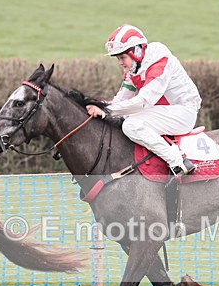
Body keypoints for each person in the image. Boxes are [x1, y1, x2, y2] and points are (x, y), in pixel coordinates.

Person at [86, 24, 201, 176]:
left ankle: (177, 161)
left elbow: (143, 102)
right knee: (123, 118)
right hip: (162, 112)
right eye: (118, 58)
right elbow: (121, 99)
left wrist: (107, 110)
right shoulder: (133, 69)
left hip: (183, 113)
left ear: (137, 52)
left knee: (131, 125)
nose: (120, 62)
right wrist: (99, 105)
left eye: (122, 57)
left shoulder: (160, 63)